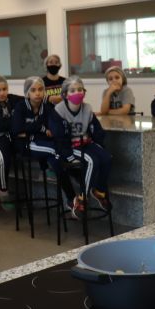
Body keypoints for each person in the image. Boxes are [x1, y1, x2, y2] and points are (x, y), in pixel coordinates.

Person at [49, 76, 112, 216]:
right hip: (71, 146)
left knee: (107, 158)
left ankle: (99, 190)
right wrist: (68, 155)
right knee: (92, 161)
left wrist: (99, 144)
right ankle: (82, 198)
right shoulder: (59, 110)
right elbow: (59, 136)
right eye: (72, 90)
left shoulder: (87, 108)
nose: (77, 93)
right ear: (65, 94)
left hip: (86, 143)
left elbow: (97, 129)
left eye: (79, 89)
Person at [11, 76, 77, 211]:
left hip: (43, 144)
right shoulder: (20, 107)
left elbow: (53, 129)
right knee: (58, 152)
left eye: (41, 89)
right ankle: (74, 193)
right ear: (27, 93)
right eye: (33, 90)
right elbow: (16, 130)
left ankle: (72, 200)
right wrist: (41, 128)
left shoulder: (47, 108)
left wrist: (30, 130)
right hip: (26, 145)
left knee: (56, 159)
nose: (37, 93)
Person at [0, 75, 24, 203]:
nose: (2, 93)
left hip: (12, 135)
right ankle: (2, 188)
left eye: (4, 89)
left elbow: (28, 100)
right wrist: (16, 119)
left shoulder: (11, 98)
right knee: (3, 158)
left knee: (26, 148)